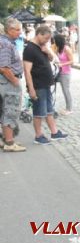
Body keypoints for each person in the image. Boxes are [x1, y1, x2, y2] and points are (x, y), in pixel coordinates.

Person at [23, 25, 68, 145]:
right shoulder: (30, 49)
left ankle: (54, 132)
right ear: (39, 34)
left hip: (46, 84)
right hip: (38, 85)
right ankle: (38, 135)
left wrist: (47, 50)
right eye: (46, 38)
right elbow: (27, 71)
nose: (47, 41)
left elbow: (53, 59)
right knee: (39, 112)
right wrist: (31, 89)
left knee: (49, 110)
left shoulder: (41, 46)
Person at [0, 18, 26, 152]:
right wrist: (15, 81)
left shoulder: (6, 42)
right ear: (9, 30)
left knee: (4, 111)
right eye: (18, 29)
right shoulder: (5, 44)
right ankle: (9, 143)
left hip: (5, 81)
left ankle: (5, 140)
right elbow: (3, 67)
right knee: (10, 110)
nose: (20, 32)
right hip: (8, 82)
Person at [53, 34, 74, 115]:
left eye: (55, 41)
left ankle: (69, 108)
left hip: (65, 73)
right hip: (58, 72)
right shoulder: (58, 48)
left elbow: (72, 61)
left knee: (66, 91)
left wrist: (62, 64)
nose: (54, 42)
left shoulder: (67, 49)